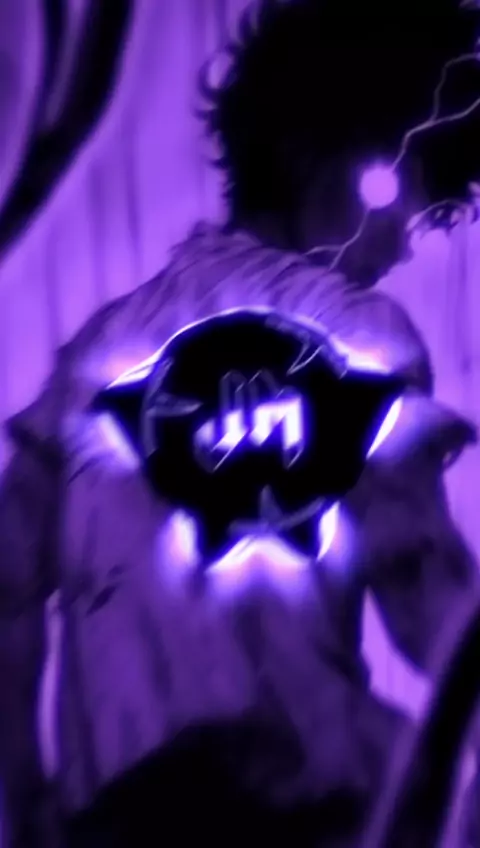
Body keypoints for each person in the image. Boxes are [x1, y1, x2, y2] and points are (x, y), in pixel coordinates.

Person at [1, 0, 480, 845]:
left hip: (118, 822)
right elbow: (427, 599)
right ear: (315, 161)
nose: (407, 238)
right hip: (310, 813)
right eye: (399, 189)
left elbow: (5, 591)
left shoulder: (90, 362)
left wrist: (28, 797)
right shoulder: (356, 335)